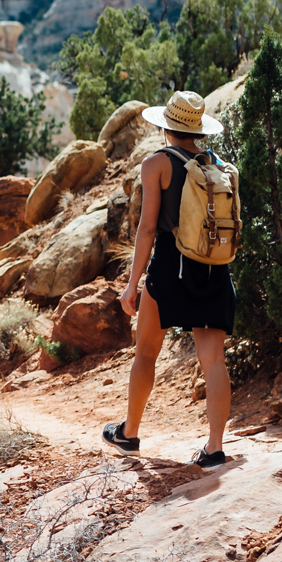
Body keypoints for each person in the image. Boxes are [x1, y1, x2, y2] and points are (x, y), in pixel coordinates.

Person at [102, 90, 235, 469]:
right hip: (213, 266)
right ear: (197, 130)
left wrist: (131, 285)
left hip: (170, 267)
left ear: (166, 127)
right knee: (213, 360)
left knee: (146, 350)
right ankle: (214, 447)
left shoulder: (156, 163)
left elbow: (146, 230)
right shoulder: (216, 163)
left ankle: (128, 433)